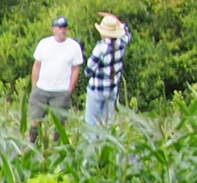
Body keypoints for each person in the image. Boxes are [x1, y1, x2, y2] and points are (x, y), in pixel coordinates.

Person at [29, 15, 83, 137]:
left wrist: (70, 90)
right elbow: (37, 65)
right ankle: (30, 147)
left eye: (64, 27)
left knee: (60, 123)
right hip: (42, 88)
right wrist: (34, 87)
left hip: (61, 91)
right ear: (53, 29)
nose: (62, 30)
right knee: (35, 120)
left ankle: (57, 148)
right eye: (59, 27)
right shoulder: (44, 43)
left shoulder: (74, 46)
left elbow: (76, 69)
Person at [83, 13, 131, 143]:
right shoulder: (122, 42)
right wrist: (118, 21)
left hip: (97, 89)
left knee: (91, 122)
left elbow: (88, 70)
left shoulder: (101, 48)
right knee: (107, 123)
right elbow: (127, 33)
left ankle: (91, 151)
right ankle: (105, 149)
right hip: (112, 89)